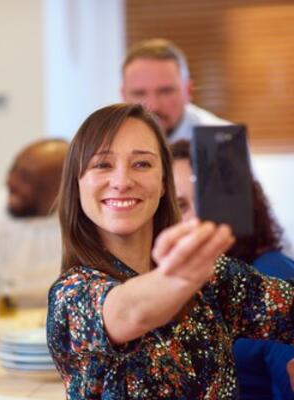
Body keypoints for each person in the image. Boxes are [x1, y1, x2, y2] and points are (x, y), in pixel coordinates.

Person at [47, 103, 294, 399]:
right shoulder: (71, 295)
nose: (122, 181)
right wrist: (178, 279)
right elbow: (131, 312)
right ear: (78, 182)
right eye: (102, 165)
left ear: (164, 183)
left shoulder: (215, 277)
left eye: (142, 164)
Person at [171, 139, 294, 399]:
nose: (197, 218)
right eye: (180, 206)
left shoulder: (270, 276)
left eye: (209, 202)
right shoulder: (173, 285)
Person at [0, 139, 69, 307]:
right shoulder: (0, 203)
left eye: (26, 178)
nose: (10, 182)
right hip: (3, 319)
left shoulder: (85, 219)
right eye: (13, 169)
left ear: (59, 188)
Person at [121, 38, 230, 142]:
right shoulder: (109, 142)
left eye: (165, 92)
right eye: (139, 93)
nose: (153, 106)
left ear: (188, 91)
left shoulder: (225, 141)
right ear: (124, 96)